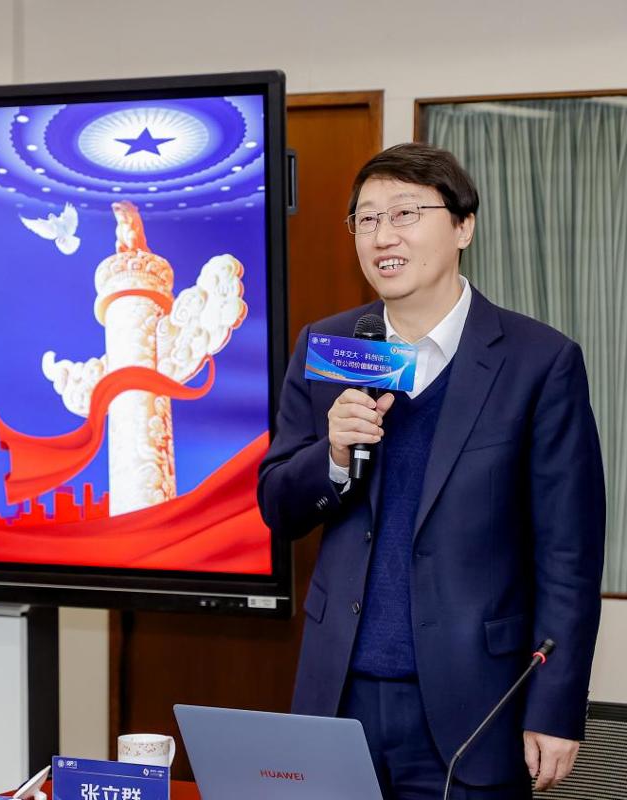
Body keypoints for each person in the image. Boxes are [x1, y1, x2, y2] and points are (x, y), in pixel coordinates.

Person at [257, 143, 606, 799]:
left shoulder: (538, 361)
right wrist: (332, 456)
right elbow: (278, 504)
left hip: (475, 703)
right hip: (340, 695)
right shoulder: (330, 346)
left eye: (405, 214)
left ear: (464, 226)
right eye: (366, 219)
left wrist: (555, 708)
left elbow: (569, 555)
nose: (383, 235)